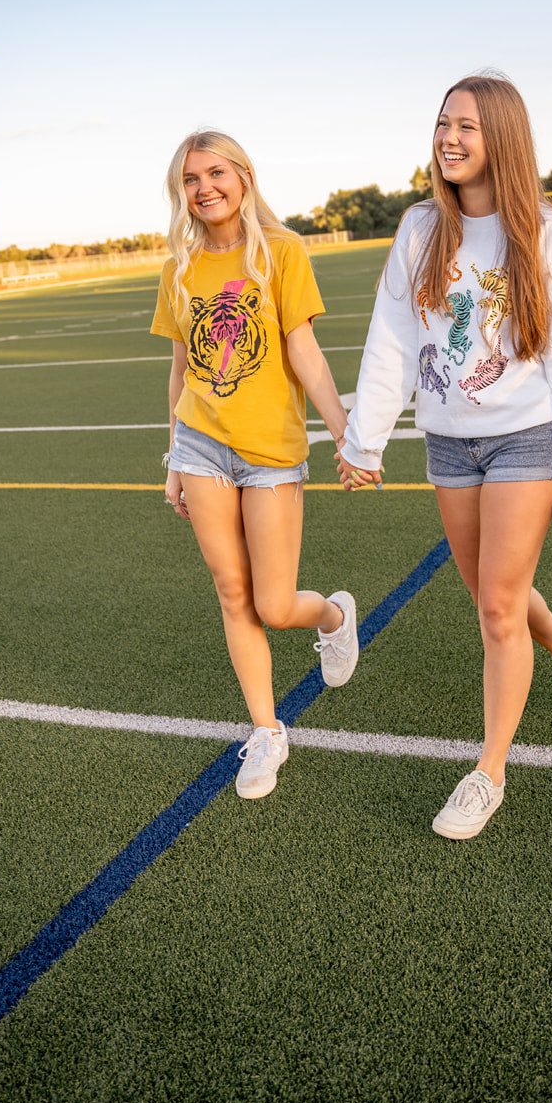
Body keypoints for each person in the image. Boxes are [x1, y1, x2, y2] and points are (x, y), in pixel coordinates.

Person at [337, 74, 552, 840]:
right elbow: (392, 338)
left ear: (502, 139)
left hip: (528, 434)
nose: (449, 138)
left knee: (494, 603)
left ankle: (487, 772)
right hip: (448, 440)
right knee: (496, 593)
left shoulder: (546, 233)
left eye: (467, 126)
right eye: (441, 124)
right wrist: (366, 439)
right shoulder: (421, 228)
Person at [151, 130, 357, 800]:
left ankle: (330, 617)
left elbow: (303, 349)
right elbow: (182, 364)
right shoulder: (179, 266)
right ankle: (266, 731)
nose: (204, 188)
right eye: (190, 179)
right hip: (201, 445)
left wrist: (341, 428)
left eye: (215, 173)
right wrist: (173, 455)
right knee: (231, 592)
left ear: (243, 176)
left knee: (272, 602)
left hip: (270, 451)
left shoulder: (282, 251)